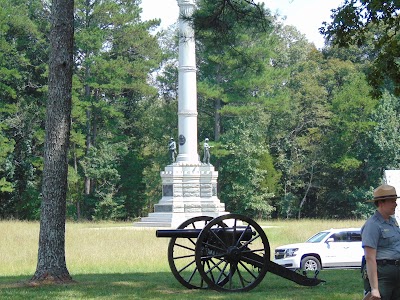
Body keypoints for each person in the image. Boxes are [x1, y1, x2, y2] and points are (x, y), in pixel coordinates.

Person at [361, 184, 400, 300]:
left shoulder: (393, 222)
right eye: (392, 201)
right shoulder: (372, 225)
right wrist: (374, 288)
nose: (396, 204)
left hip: (396, 274)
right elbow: (370, 258)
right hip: (382, 275)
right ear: (381, 203)